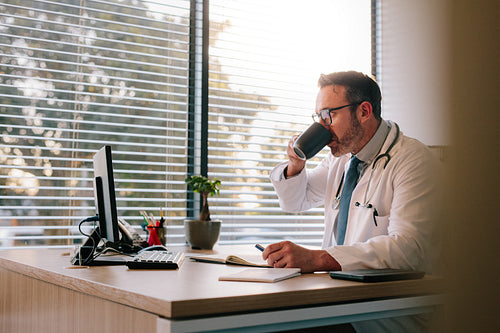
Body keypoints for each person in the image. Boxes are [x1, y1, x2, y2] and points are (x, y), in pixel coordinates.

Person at [265, 71, 441, 332]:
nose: (323, 127)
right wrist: (295, 163)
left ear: (364, 111)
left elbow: (409, 250)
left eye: (329, 115)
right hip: (340, 301)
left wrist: (317, 259)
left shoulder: (413, 161)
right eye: (318, 118)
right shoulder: (342, 159)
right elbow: (296, 201)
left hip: (385, 314)